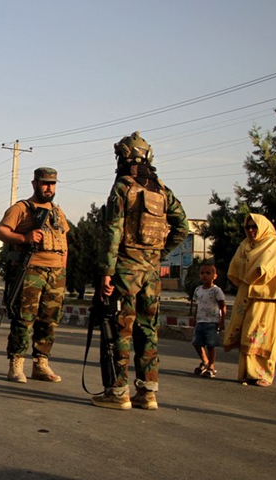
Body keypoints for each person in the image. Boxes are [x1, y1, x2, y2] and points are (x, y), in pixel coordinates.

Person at [91, 132, 188, 410]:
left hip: (125, 271)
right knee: (148, 329)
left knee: (120, 329)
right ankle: (147, 392)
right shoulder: (162, 189)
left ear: (124, 155)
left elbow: (113, 231)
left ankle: (118, 392)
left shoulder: (123, 186)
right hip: (151, 273)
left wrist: (106, 272)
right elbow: (182, 227)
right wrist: (158, 254)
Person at [0, 167, 69, 384]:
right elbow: (0, 231)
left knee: (49, 320)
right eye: (45, 183)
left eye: (52, 184)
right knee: (24, 318)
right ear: (35, 184)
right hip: (31, 270)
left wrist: (63, 267)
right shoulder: (21, 208)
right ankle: (16, 363)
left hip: (56, 274)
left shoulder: (58, 212)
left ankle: (41, 364)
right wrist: (24, 238)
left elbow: (65, 241)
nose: (49, 188)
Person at [223, 213, 276, 387]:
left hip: (268, 298)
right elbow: (235, 267)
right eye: (248, 227)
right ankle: (246, 373)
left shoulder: (274, 244)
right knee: (247, 335)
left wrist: (257, 270)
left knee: (261, 337)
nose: (251, 230)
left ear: (263, 227)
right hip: (247, 296)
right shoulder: (244, 245)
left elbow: (274, 267)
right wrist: (249, 268)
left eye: (254, 227)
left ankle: (263, 374)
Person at [191, 263, 226, 378]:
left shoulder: (216, 291)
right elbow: (197, 305)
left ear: (214, 276)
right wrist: (194, 318)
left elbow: (222, 306)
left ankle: (211, 366)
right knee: (197, 343)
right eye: (202, 273)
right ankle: (204, 361)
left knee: (211, 345)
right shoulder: (198, 290)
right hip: (200, 321)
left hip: (212, 322)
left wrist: (222, 321)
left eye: (208, 273)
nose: (204, 275)